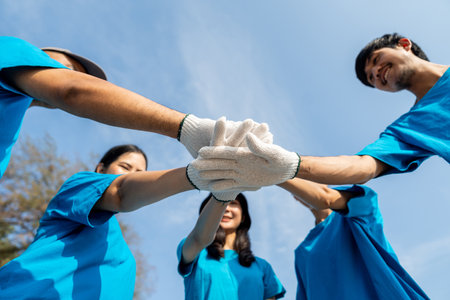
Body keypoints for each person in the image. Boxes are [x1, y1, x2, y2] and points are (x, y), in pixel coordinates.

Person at [187, 33, 448, 191]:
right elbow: (362, 166)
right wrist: (291, 164)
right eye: (372, 78)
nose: (376, 73)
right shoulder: (408, 129)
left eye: (377, 59)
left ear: (404, 44)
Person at [0, 36, 272, 179]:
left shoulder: (11, 116)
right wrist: (186, 128)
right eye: (69, 67)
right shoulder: (13, 48)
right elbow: (71, 90)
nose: (71, 76)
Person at [0, 144, 201, 299]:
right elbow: (121, 192)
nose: (133, 176)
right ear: (101, 169)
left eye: (141, 174)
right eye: (125, 167)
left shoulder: (122, 252)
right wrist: (196, 174)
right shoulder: (80, 185)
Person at [280, 178, 429, 300]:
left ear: (324, 182)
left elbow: (325, 198)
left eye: (306, 179)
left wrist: (276, 173)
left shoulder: (360, 210)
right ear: (295, 196)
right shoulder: (302, 252)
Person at [177, 193, 286, 300]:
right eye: (221, 204)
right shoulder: (197, 253)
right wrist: (221, 192)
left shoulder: (262, 266)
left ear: (243, 217)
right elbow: (198, 238)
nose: (226, 208)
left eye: (233, 203)